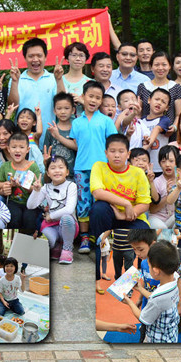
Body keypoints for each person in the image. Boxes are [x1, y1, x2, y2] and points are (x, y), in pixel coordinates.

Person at [50, 81, 118, 252]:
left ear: (101, 100)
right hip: (81, 168)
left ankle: (100, 237)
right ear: (83, 97)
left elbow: (113, 145)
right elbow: (75, 145)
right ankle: (85, 238)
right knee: (83, 204)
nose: (93, 100)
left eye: (98, 98)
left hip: (102, 169)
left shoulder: (106, 121)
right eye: (90, 96)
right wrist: (58, 136)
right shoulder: (77, 122)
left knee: (100, 204)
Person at [123, 240, 180, 343]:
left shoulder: (157, 298)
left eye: (149, 266)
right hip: (171, 334)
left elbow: (143, 318)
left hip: (156, 340)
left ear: (156, 270)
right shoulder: (174, 278)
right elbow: (156, 297)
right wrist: (140, 289)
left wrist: (129, 302)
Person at [27, 155, 78, 264]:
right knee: (47, 242)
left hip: (68, 225)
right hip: (51, 225)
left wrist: (51, 215)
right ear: (48, 173)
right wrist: (36, 191)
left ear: (67, 172)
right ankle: (56, 245)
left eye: (61, 167)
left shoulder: (71, 186)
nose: (57, 171)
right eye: (53, 168)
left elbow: (69, 209)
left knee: (66, 218)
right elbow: (30, 206)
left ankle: (67, 249)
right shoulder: (46, 187)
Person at [8, 38, 57, 146]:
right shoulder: (17, 79)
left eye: (39, 55)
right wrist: (15, 82)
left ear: (45, 57)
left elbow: (61, 104)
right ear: (25, 58)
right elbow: (12, 105)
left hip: (50, 138)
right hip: (23, 141)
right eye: (31, 56)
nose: (35, 59)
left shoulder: (54, 79)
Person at [0, 132, 42, 229]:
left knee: (29, 219)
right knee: (14, 217)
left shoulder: (33, 166)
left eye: (21, 147)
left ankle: (28, 237)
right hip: (13, 201)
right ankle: (13, 237)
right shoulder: (5, 166)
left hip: (30, 202)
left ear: (27, 150)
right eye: (14, 147)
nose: (17, 150)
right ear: (8, 149)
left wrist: (23, 185)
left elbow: (38, 189)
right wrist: (9, 184)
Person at [136, 51, 181, 126]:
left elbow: (179, 114)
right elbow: (138, 114)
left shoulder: (176, 87)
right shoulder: (143, 87)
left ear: (169, 66)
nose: (160, 68)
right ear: (151, 66)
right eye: (156, 65)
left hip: (169, 130)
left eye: (164, 65)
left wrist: (174, 127)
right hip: (146, 130)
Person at [126, 229, 158, 341]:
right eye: (134, 249)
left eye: (140, 249)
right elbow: (144, 281)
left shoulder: (162, 264)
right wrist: (139, 299)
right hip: (146, 304)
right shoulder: (144, 263)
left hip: (158, 306)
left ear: (152, 245)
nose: (137, 254)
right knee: (144, 330)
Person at [137, 88, 172, 173]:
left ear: (167, 108)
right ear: (149, 100)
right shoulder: (141, 121)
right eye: (157, 99)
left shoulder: (164, 120)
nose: (159, 103)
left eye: (163, 102)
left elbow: (156, 129)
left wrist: (143, 149)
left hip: (159, 166)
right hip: (143, 166)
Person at [43, 92, 76, 177]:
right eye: (59, 108)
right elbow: (46, 152)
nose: (63, 112)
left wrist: (58, 136)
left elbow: (78, 147)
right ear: (54, 111)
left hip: (72, 174)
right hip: (55, 175)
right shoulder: (50, 130)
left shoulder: (76, 128)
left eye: (66, 108)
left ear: (73, 110)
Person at [148, 146, 179, 229]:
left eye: (171, 161)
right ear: (159, 163)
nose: (167, 165)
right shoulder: (156, 182)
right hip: (157, 218)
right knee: (161, 227)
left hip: (173, 218)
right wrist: (168, 196)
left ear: (178, 162)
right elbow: (152, 210)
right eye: (163, 161)